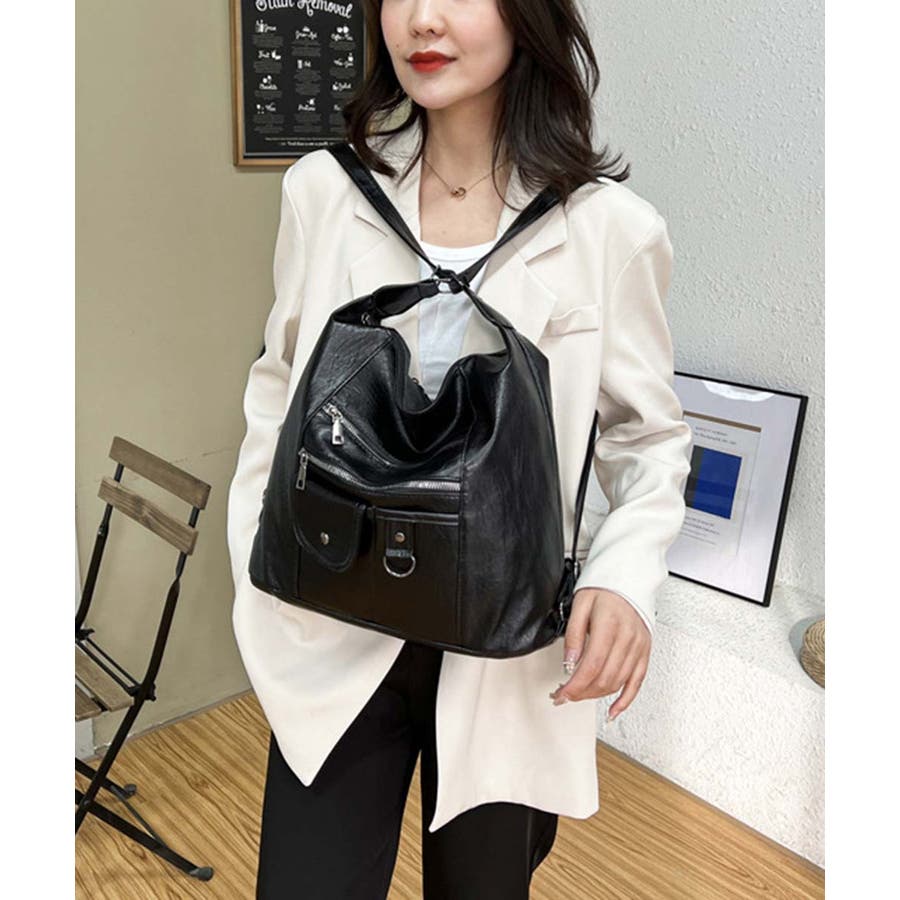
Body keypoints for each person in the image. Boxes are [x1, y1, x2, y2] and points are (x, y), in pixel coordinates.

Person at [226, 1, 693, 897]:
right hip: (336, 614)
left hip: (507, 642)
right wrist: (254, 558)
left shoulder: (609, 229)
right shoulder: (325, 191)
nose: (422, 19)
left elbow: (649, 435)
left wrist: (624, 577)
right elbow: (279, 383)